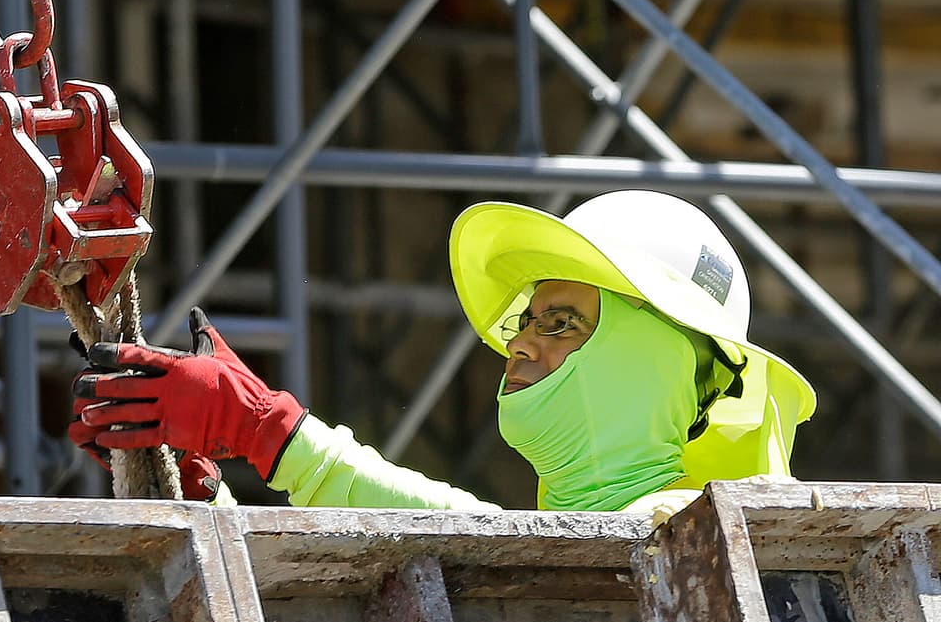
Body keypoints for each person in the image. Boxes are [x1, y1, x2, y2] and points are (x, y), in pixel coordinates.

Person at [69, 190, 816, 515]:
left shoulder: (691, 525)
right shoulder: (573, 558)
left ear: (650, 363)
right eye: (531, 317)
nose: (520, 338)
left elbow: (492, 542)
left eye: (561, 322)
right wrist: (206, 504)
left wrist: (271, 431)